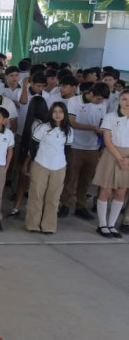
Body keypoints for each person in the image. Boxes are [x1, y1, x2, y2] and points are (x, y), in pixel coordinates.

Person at [61, 82, 107, 219]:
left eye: (102, 100)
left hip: (93, 147)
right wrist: (93, 128)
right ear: (91, 93)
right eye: (98, 98)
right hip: (75, 146)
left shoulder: (102, 104)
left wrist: (101, 145)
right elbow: (72, 122)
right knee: (70, 178)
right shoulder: (74, 101)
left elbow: (102, 124)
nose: (100, 102)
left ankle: (81, 205)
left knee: (86, 180)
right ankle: (64, 204)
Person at [25, 101, 72, 234]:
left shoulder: (69, 130)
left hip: (59, 167)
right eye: (55, 111)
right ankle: (32, 224)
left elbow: (67, 149)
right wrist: (36, 159)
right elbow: (33, 145)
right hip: (41, 165)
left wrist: (60, 161)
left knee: (53, 198)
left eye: (61, 112)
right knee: (36, 195)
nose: (57, 114)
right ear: (51, 113)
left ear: (65, 114)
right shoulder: (43, 128)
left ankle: (49, 226)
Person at [92, 90, 129, 238]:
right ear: (119, 101)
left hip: (128, 157)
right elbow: (107, 140)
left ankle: (112, 224)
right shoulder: (110, 117)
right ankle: (102, 224)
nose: (127, 102)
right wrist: (120, 158)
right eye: (124, 99)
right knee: (106, 191)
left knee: (121, 192)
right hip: (112, 155)